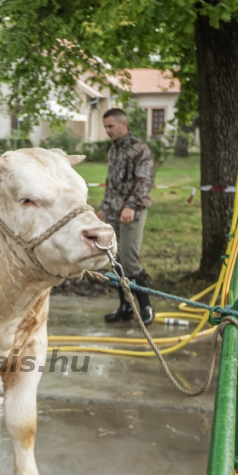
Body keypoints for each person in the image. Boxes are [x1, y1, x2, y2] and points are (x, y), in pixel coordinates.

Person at [97, 108, 155, 324]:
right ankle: (125, 307)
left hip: (132, 212)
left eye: (110, 126)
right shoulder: (113, 151)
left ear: (123, 124)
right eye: (105, 127)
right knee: (116, 261)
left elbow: (144, 181)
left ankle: (146, 306)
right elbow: (111, 182)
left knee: (129, 261)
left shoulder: (140, 150)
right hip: (112, 212)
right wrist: (103, 205)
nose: (107, 131)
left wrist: (131, 206)